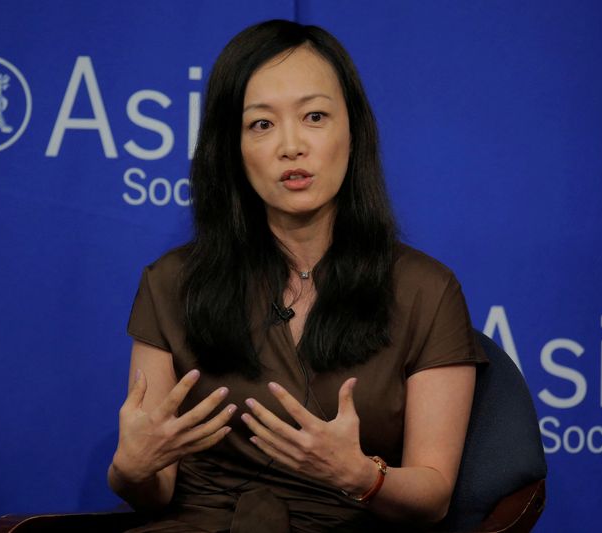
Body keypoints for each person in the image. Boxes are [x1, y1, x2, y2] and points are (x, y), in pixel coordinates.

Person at [108, 19, 487, 533]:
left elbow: (433, 496)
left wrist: (360, 476)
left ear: (352, 129)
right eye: (261, 124)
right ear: (232, 147)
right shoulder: (171, 283)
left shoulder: (426, 290)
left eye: (314, 116)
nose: (291, 146)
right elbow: (154, 489)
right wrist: (131, 470)